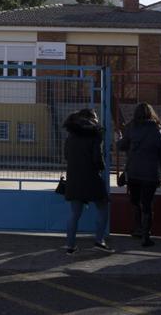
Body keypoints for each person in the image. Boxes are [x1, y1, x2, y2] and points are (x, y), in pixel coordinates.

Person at [63, 108, 113, 255]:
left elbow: (66, 156)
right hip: (91, 178)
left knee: (74, 214)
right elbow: (97, 158)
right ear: (91, 118)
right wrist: (102, 167)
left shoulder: (71, 135)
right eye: (96, 117)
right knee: (103, 208)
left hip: (74, 178)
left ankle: (70, 246)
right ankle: (99, 240)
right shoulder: (95, 135)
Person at [119, 103, 161, 247]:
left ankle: (137, 229)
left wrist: (121, 138)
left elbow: (121, 146)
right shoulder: (158, 130)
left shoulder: (131, 127)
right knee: (147, 204)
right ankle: (146, 236)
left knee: (135, 202)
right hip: (151, 173)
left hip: (133, 171)